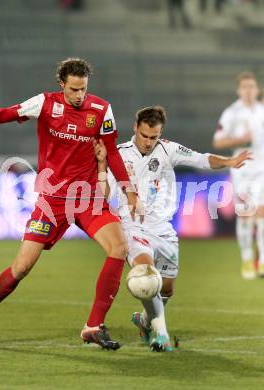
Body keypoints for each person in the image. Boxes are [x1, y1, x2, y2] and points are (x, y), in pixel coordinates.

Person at [0, 58, 142, 350]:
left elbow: (112, 153)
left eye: (84, 89)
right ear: (62, 84)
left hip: (87, 196)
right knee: (22, 267)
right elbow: (8, 113)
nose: (79, 95)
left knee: (118, 247)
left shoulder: (102, 109)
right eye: (74, 89)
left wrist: (128, 190)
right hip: (52, 201)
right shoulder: (44, 103)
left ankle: (93, 326)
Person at [94, 106, 250, 351]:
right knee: (146, 274)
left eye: (153, 137)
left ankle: (145, 321)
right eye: (144, 135)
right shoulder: (120, 154)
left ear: (160, 133)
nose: (147, 142)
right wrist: (102, 166)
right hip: (133, 227)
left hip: (164, 230)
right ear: (135, 127)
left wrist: (229, 161)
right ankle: (161, 335)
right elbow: (104, 194)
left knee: (166, 289)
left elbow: (202, 159)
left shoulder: (168, 149)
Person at [213, 71, 264, 279]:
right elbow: (218, 142)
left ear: (257, 89)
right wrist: (240, 140)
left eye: (252, 87)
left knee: (261, 213)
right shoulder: (231, 113)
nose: (249, 91)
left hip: (262, 168)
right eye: (245, 87)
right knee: (245, 214)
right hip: (242, 168)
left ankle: (261, 262)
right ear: (239, 91)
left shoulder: (262, 111)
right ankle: (246, 258)